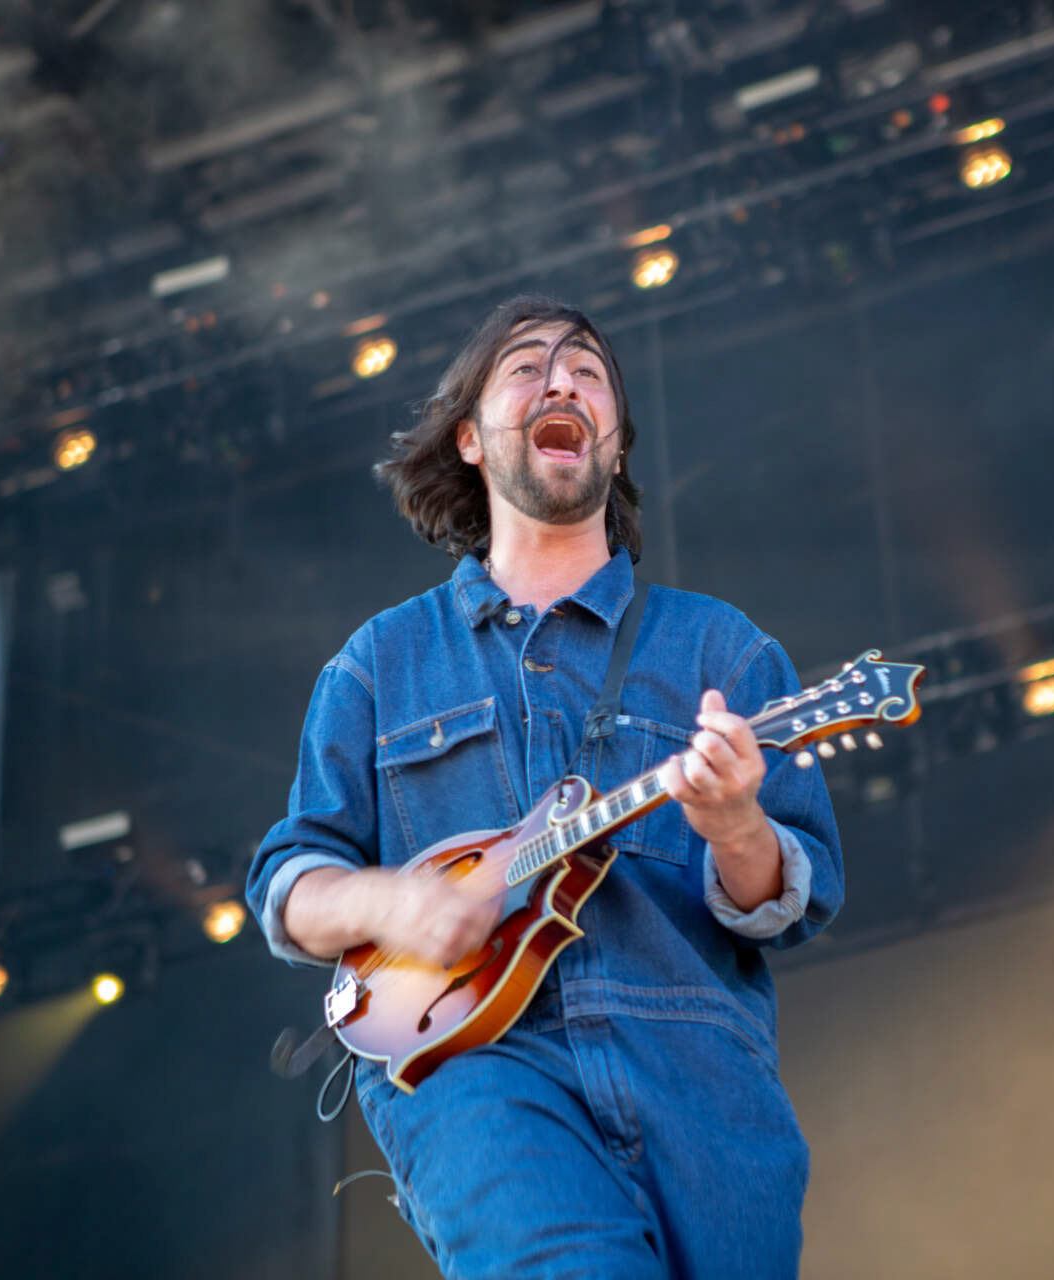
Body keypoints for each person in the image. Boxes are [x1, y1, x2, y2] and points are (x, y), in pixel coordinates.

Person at [246, 294, 843, 1279]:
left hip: (700, 1081)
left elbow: (792, 900)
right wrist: (396, 897)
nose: (562, 377)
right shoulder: (379, 665)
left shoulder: (720, 648)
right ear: (472, 439)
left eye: (589, 372)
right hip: (472, 1064)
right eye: (525, 367)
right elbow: (287, 881)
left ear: (614, 445)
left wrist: (735, 824)